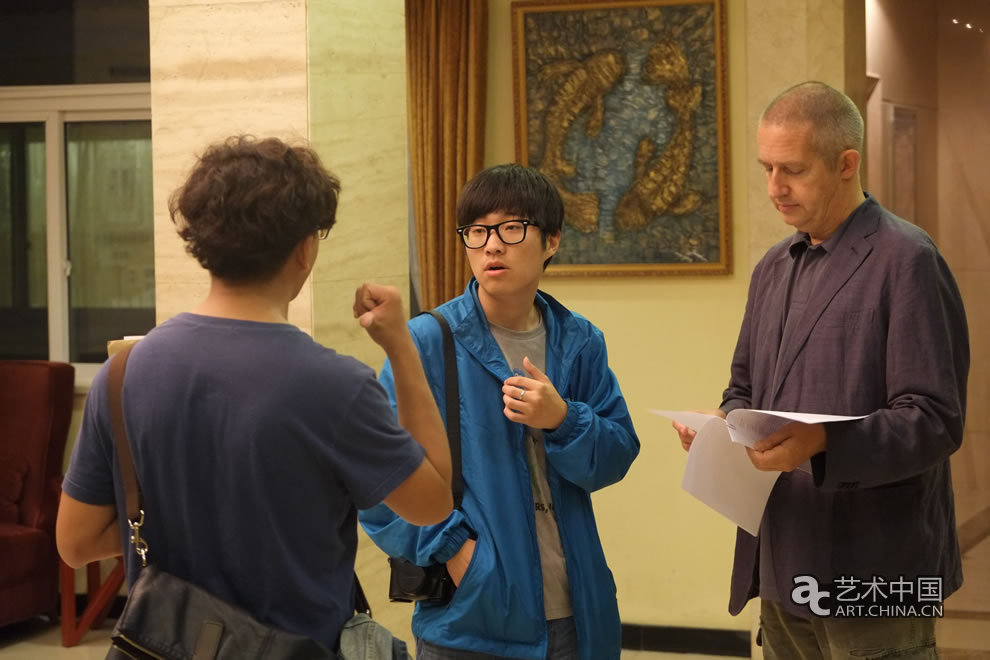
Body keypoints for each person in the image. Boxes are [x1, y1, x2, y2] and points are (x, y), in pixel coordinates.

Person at [55, 135, 454, 652]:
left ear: (201, 242)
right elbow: (433, 502)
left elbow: (76, 542)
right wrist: (401, 344)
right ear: (305, 249)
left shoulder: (122, 373)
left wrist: (191, 524)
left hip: (165, 647)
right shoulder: (335, 386)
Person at [674, 81, 970, 658]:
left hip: (879, 560)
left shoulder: (908, 259)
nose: (774, 188)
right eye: (766, 169)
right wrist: (725, 430)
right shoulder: (773, 268)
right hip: (783, 554)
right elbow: (743, 387)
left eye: (792, 170)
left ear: (845, 164)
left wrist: (823, 442)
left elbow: (935, 420)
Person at [359, 164, 640, 660]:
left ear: (551, 240)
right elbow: (376, 479)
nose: (491, 246)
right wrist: (453, 550)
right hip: (473, 620)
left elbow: (614, 457)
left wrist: (564, 419)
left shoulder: (579, 341)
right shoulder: (427, 342)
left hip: (578, 612)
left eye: (511, 228)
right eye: (477, 231)